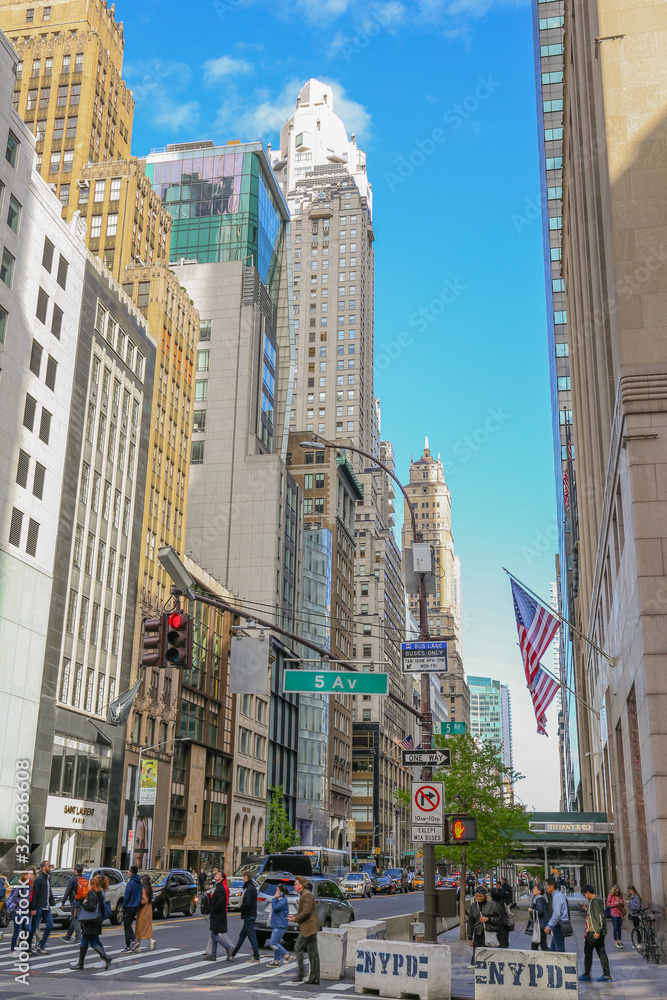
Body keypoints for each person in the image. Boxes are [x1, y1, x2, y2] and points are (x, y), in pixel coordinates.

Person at [69, 874, 112, 971]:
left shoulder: (92, 894)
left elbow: (91, 907)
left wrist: (84, 904)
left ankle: (103, 958)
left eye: (89, 885)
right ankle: (103, 958)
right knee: (92, 941)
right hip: (95, 921)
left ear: (93, 885)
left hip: (90, 921)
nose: (88, 886)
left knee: (86, 941)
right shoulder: (100, 894)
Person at [289, 875, 321, 984]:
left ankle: (302, 974)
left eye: (295, 884)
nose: (294, 886)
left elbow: (306, 912)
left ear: (301, 886)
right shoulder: (304, 895)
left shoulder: (306, 895)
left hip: (309, 927)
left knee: (298, 947)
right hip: (310, 927)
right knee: (313, 952)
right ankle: (314, 977)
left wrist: (295, 918)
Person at [578, 884, 611, 982]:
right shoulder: (594, 902)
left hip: (594, 932)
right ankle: (607, 975)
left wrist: (597, 931)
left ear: (588, 893)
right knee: (601, 952)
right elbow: (594, 914)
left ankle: (587, 974)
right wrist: (586, 909)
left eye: (584, 894)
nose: (585, 896)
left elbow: (600, 917)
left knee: (587, 951)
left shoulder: (595, 902)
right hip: (597, 931)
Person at [467, 887, 502, 969]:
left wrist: (488, 919)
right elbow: (470, 922)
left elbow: (498, 919)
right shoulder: (474, 907)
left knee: (489, 952)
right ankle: (476, 964)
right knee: (477, 951)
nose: (478, 898)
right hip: (478, 933)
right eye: (477, 896)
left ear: (485, 896)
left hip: (489, 932)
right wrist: (470, 937)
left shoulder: (492, 905)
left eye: (480, 896)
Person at [203, 871, 235, 961]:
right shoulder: (218, 887)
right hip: (217, 915)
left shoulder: (220, 888)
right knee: (214, 933)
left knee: (214, 935)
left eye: (218, 875)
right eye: (216, 874)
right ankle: (213, 954)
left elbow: (221, 902)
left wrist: (213, 910)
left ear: (221, 878)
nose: (216, 875)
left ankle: (228, 947)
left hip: (218, 915)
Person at [230, 872, 260, 963]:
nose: (242, 879)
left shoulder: (249, 889)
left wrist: (240, 907)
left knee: (251, 937)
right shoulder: (251, 887)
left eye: (243, 877)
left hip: (249, 915)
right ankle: (233, 954)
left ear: (246, 877)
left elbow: (247, 903)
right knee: (242, 936)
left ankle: (256, 957)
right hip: (250, 915)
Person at [28, 860, 55, 954]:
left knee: (50, 925)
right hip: (39, 907)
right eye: (48, 866)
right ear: (43, 867)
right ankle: (28, 947)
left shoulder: (48, 878)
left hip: (46, 907)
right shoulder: (39, 879)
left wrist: (52, 901)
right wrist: (33, 908)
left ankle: (41, 945)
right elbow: (35, 894)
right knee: (33, 927)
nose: (50, 867)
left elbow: (49, 891)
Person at [7, 872, 32, 956]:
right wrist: (22, 902)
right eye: (29, 875)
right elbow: (14, 897)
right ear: (24, 876)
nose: (30, 876)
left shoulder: (29, 886)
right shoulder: (21, 885)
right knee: (17, 931)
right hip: (18, 911)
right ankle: (12, 951)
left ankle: (18, 947)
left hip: (26, 912)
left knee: (27, 929)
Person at [267, 883, 290, 967]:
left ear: (281, 892)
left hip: (281, 925)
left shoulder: (282, 900)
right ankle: (276, 961)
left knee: (273, 943)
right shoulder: (280, 899)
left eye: (277, 890)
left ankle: (286, 955)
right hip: (278, 924)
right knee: (276, 942)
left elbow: (275, 908)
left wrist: (274, 899)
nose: (276, 892)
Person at [122, 865, 143, 953]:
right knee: (129, 924)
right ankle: (134, 941)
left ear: (131, 872)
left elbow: (127, 896)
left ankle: (128, 945)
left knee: (126, 926)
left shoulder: (130, 883)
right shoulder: (139, 883)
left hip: (129, 906)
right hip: (136, 906)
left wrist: (123, 905)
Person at [61, 864, 85, 944]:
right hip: (82, 901)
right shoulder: (84, 879)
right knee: (74, 918)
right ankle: (68, 936)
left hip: (74, 902)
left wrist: (63, 902)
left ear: (75, 871)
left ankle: (78, 938)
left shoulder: (73, 880)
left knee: (75, 919)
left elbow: (68, 891)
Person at [544, 876, 568, 952]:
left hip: (558, 926)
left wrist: (549, 925)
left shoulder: (557, 896)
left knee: (559, 950)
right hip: (559, 925)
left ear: (552, 886)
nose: (546, 887)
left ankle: (563, 963)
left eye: (547, 885)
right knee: (553, 950)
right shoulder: (559, 895)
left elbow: (557, 914)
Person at [135, 874, 156, 951]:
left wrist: (137, 901)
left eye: (142, 879)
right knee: (147, 927)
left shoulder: (144, 890)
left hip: (143, 911)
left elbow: (144, 901)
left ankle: (138, 946)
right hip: (148, 910)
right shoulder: (150, 889)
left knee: (139, 927)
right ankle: (151, 940)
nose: (141, 881)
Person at [529, 882, 549, 951]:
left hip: (540, 926)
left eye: (535, 889)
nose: (533, 890)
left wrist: (531, 910)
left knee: (537, 945)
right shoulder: (540, 900)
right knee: (541, 944)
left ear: (539, 891)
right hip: (541, 925)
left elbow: (540, 911)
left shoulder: (539, 900)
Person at [606, 884, 626, 948]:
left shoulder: (620, 896)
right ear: (613, 891)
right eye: (616, 892)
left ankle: (620, 941)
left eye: (618, 892)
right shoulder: (610, 896)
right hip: (613, 913)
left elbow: (623, 903)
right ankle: (616, 942)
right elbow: (608, 904)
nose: (617, 893)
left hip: (620, 913)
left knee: (619, 928)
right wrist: (615, 903)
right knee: (615, 928)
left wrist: (621, 903)